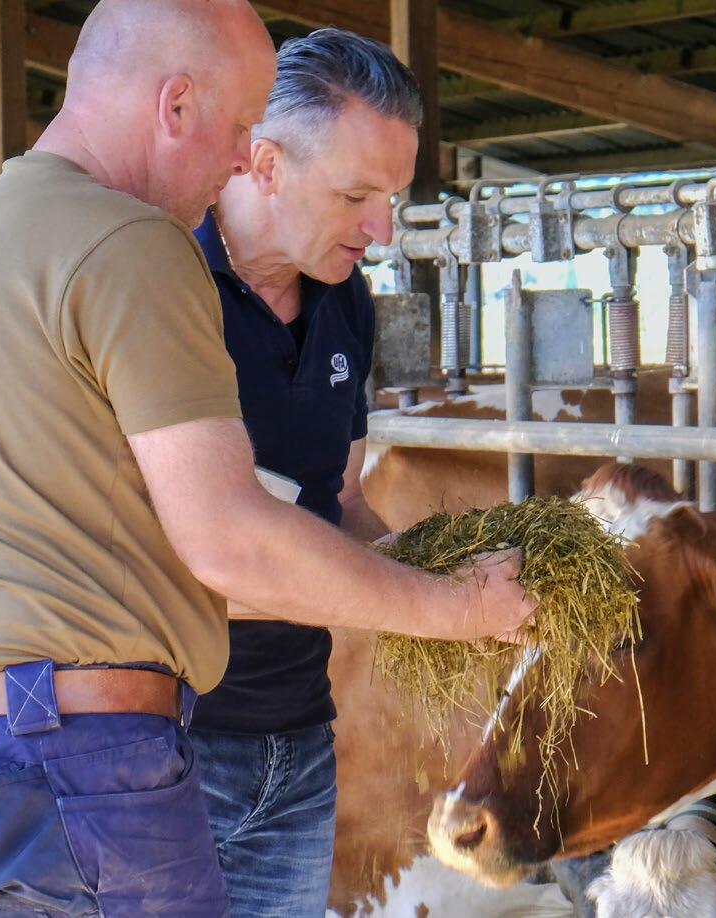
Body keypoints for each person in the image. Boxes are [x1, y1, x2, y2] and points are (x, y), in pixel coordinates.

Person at [0, 1, 535, 914]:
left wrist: (420, 570)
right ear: (176, 104)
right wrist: (458, 610)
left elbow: (322, 501)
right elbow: (223, 543)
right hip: (83, 763)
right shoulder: (135, 248)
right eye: (235, 130)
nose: (238, 157)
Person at [187, 29, 431, 916]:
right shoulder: (166, 285)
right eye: (357, 194)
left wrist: (426, 563)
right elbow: (186, 552)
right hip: (164, 746)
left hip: (299, 739)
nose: (382, 231)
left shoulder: (348, 304)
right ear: (264, 162)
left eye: (394, 199)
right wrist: (433, 607)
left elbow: (342, 500)